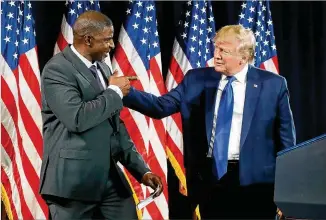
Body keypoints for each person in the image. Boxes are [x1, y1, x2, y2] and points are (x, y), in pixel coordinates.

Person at [123, 24, 296, 219]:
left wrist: (287, 191)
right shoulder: (196, 79)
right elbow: (160, 107)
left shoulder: (273, 84)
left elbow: (286, 142)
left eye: (224, 50)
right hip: (211, 182)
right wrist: (125, 92)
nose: (217, 54)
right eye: (216, 48)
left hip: (257, 184)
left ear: (244, 57)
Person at [39, 10, 163, 220]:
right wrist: (114, 92)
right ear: (88, 39)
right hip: (72, 183)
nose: (112, 45)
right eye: (107, 40)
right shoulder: (57, 70)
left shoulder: (104, 69)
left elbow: (115, 127)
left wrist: (141, 170)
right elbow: (76, 119)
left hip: (109, 179)